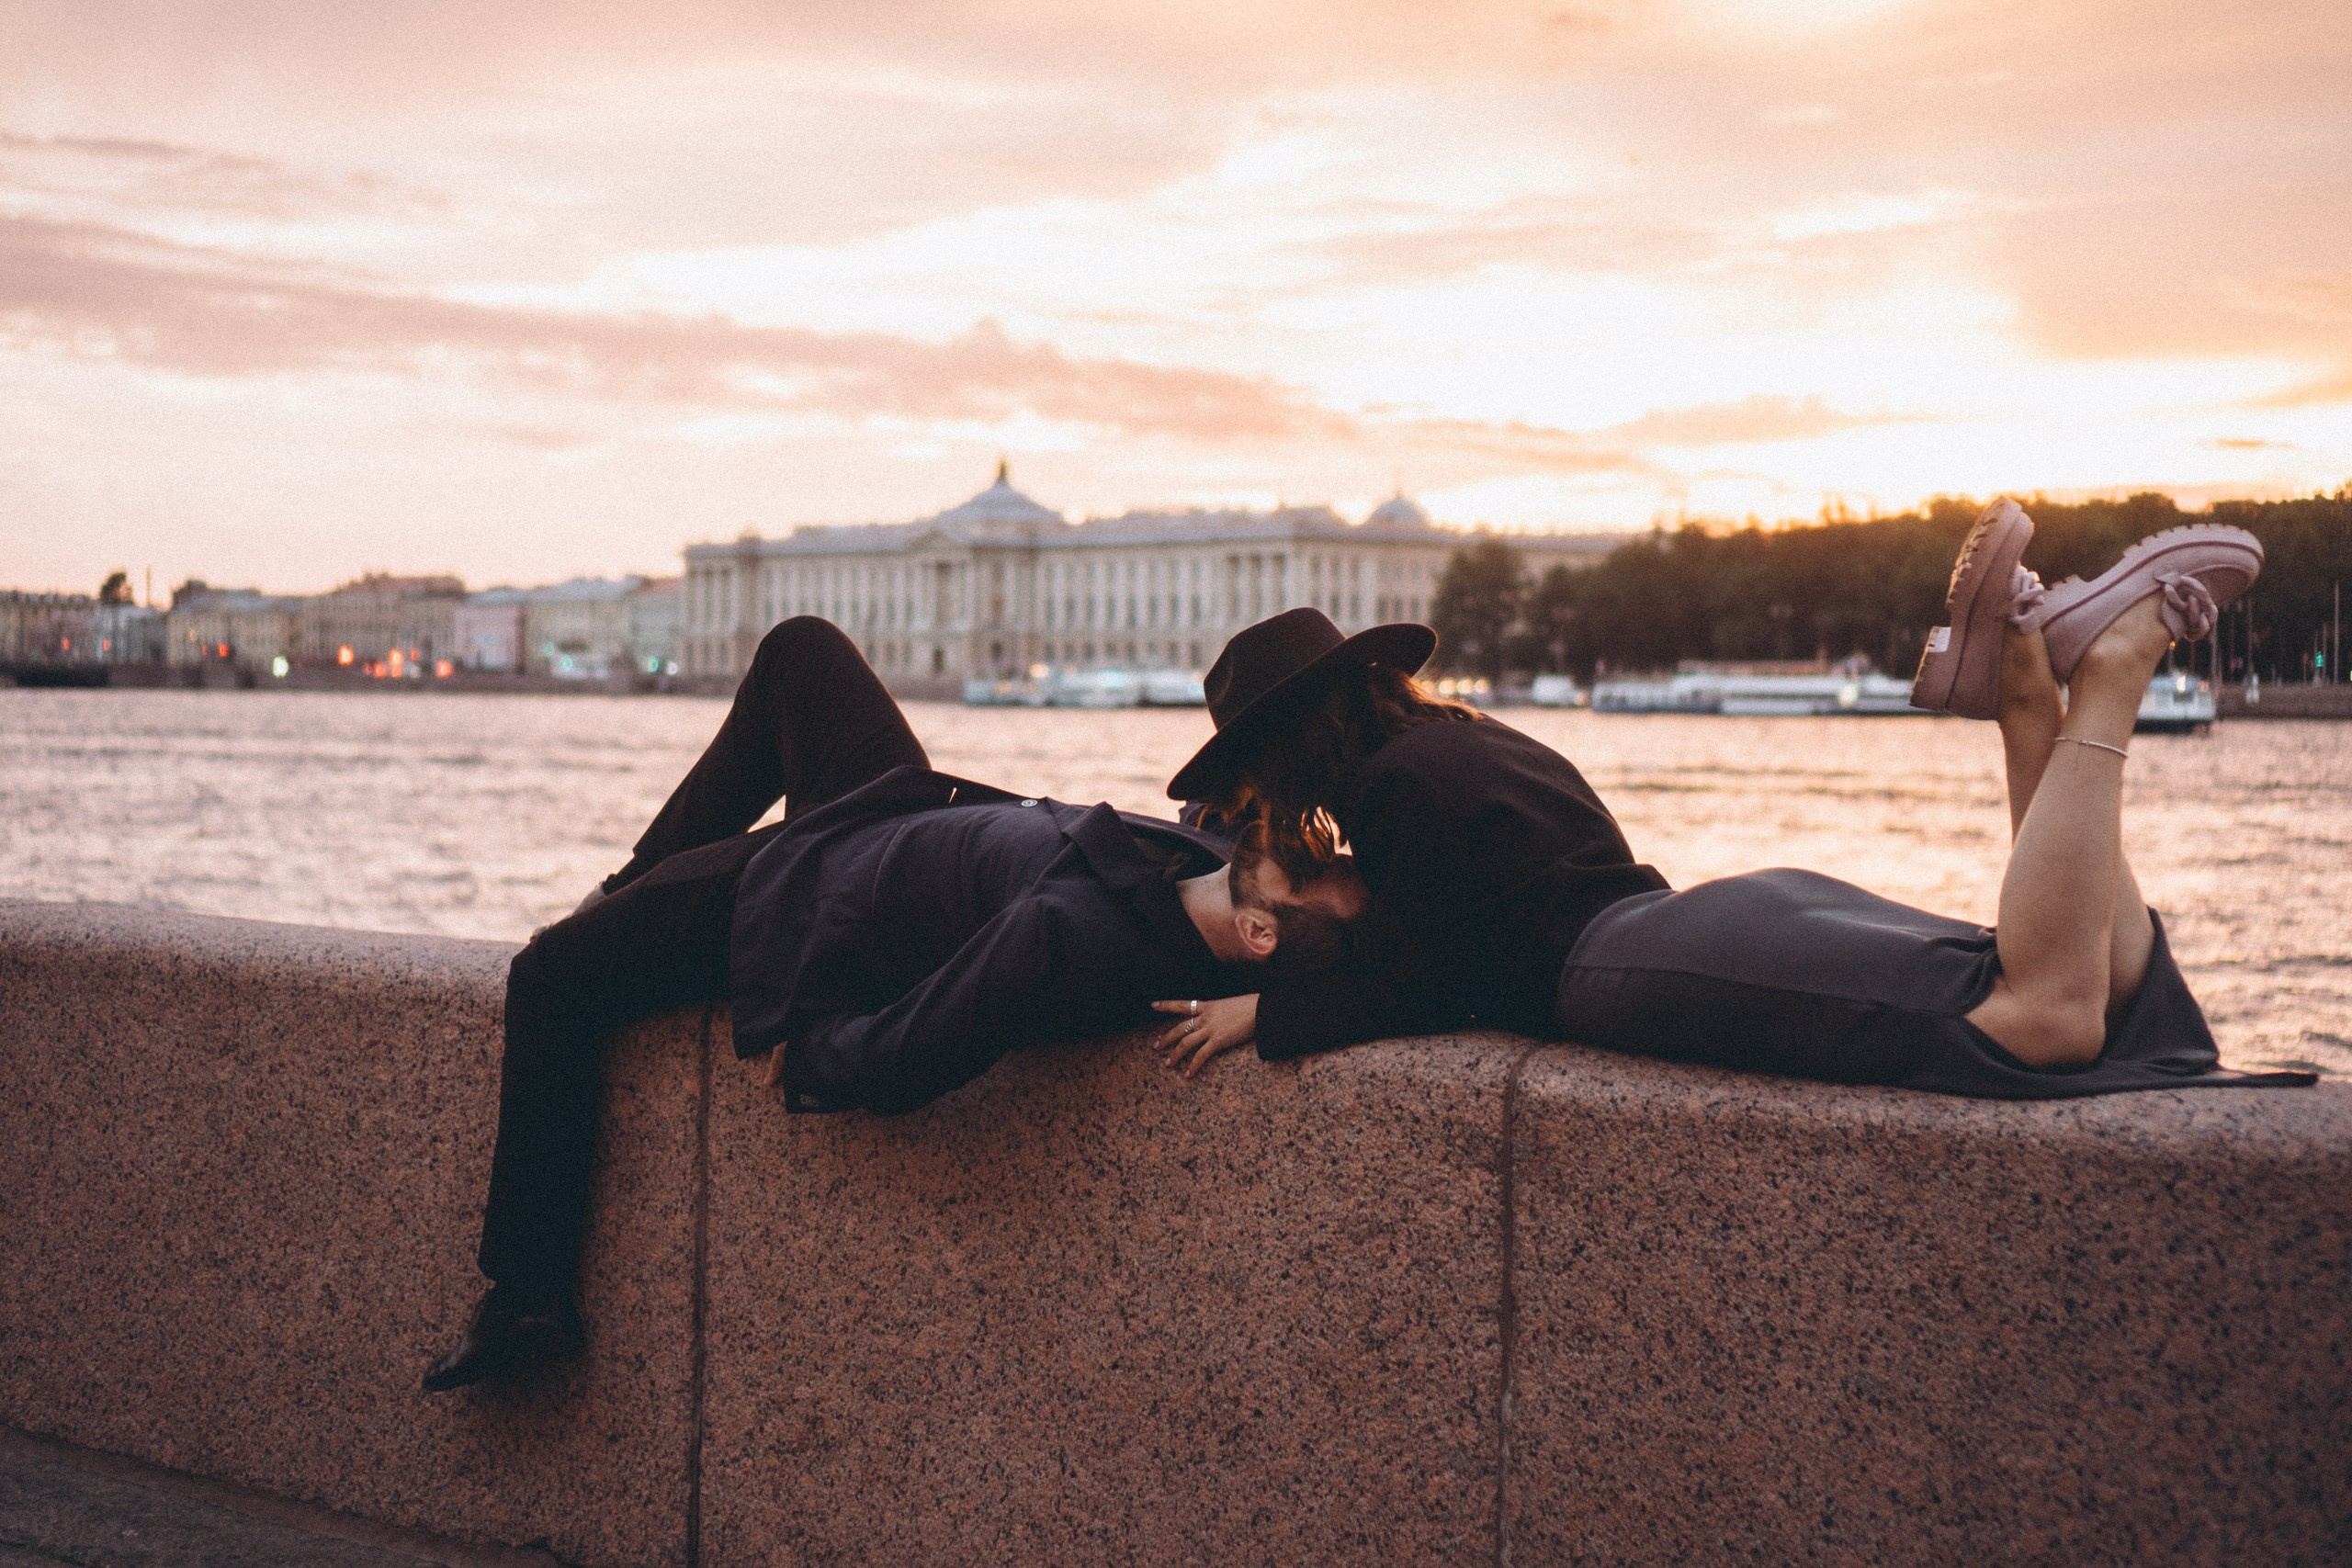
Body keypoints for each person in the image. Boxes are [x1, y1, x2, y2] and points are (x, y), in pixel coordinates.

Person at [425, 616, 1364, 1392]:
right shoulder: (1221, 873)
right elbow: (1269, 854)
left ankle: (527, 1300)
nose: (1295, 842)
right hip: (896, 809)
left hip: (812, 893)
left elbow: (920, 1045)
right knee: (800, 649)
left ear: (1262, 936)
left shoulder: (1069, 933)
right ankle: (630, 883)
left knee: (549, 977)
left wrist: (822, 1049)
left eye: (1302, 868)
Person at [1151, 504, 2316, 1104]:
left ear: (1288, 746)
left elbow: (1418, 981)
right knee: (2078, 985)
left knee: (2041, 1019)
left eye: (1252, 780)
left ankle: (2102, 675)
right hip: (1700, 920)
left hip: (1636, 972)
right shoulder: (1466, 742)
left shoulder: (1396, 791)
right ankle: (2022, 686)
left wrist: (1271, 1015)